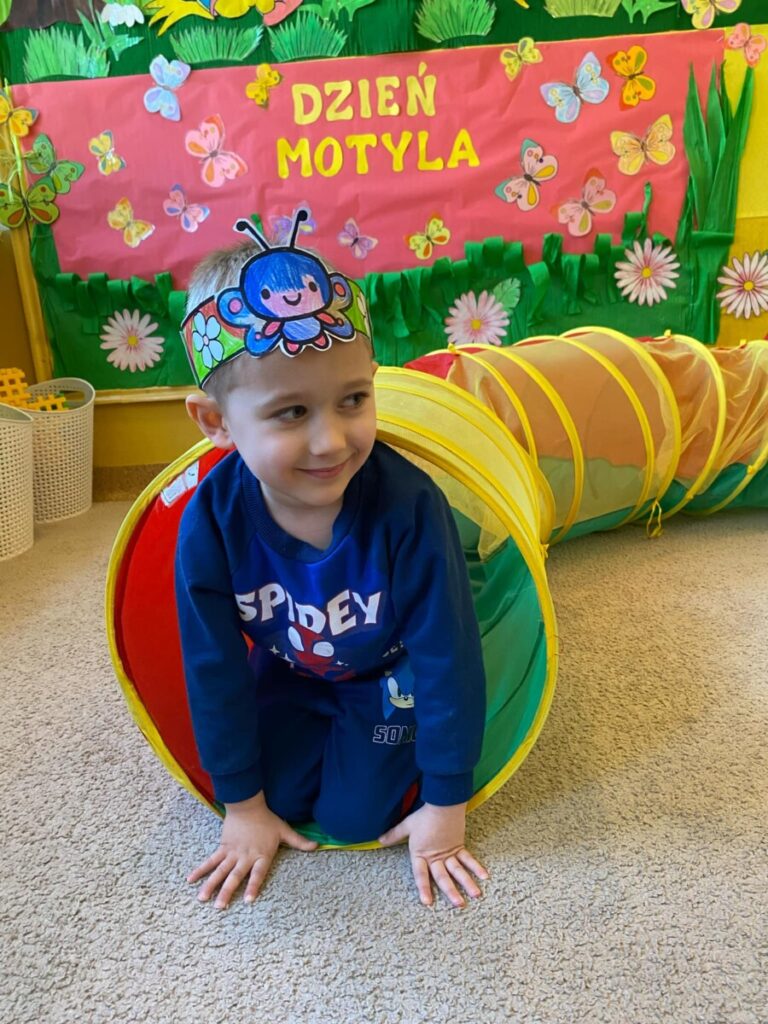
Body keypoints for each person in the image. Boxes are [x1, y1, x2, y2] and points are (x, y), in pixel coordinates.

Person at [175, 210, 489, 910]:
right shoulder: (210, 523)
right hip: (289, 671)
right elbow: (211, 667)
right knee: (275, 797)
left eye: (353, 399)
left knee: (354, 818)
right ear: (216, 422)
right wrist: (241, 806)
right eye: (291, 413)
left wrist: (446, 804)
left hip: (387, 679)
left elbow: (449, 656)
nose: (332, 441)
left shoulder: (410, 506)